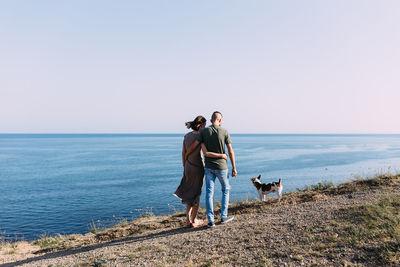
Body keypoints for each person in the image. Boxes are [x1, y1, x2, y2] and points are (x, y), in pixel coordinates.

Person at [185, 111, 237, 228]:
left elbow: (194, 146)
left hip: (208, 167)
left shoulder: (204, 131)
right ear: (220, 120)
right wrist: (234, 167)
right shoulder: (224, 131)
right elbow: (230, 151)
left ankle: (210, 221)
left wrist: (187, 156)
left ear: (211, 119)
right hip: (222, 167)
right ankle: (223, 216)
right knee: (225, 190)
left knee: (209, 193)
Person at [174, 115, 227, 228]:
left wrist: (185, 165)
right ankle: (194, 220)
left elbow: (183, 153)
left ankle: (187, 220)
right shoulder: (202, 136)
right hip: (198, 168)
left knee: (189, 192)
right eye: (204, 124)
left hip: (188, 166)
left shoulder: (186, 136)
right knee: (197, 193)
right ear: (202, 125)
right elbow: (205, 152)